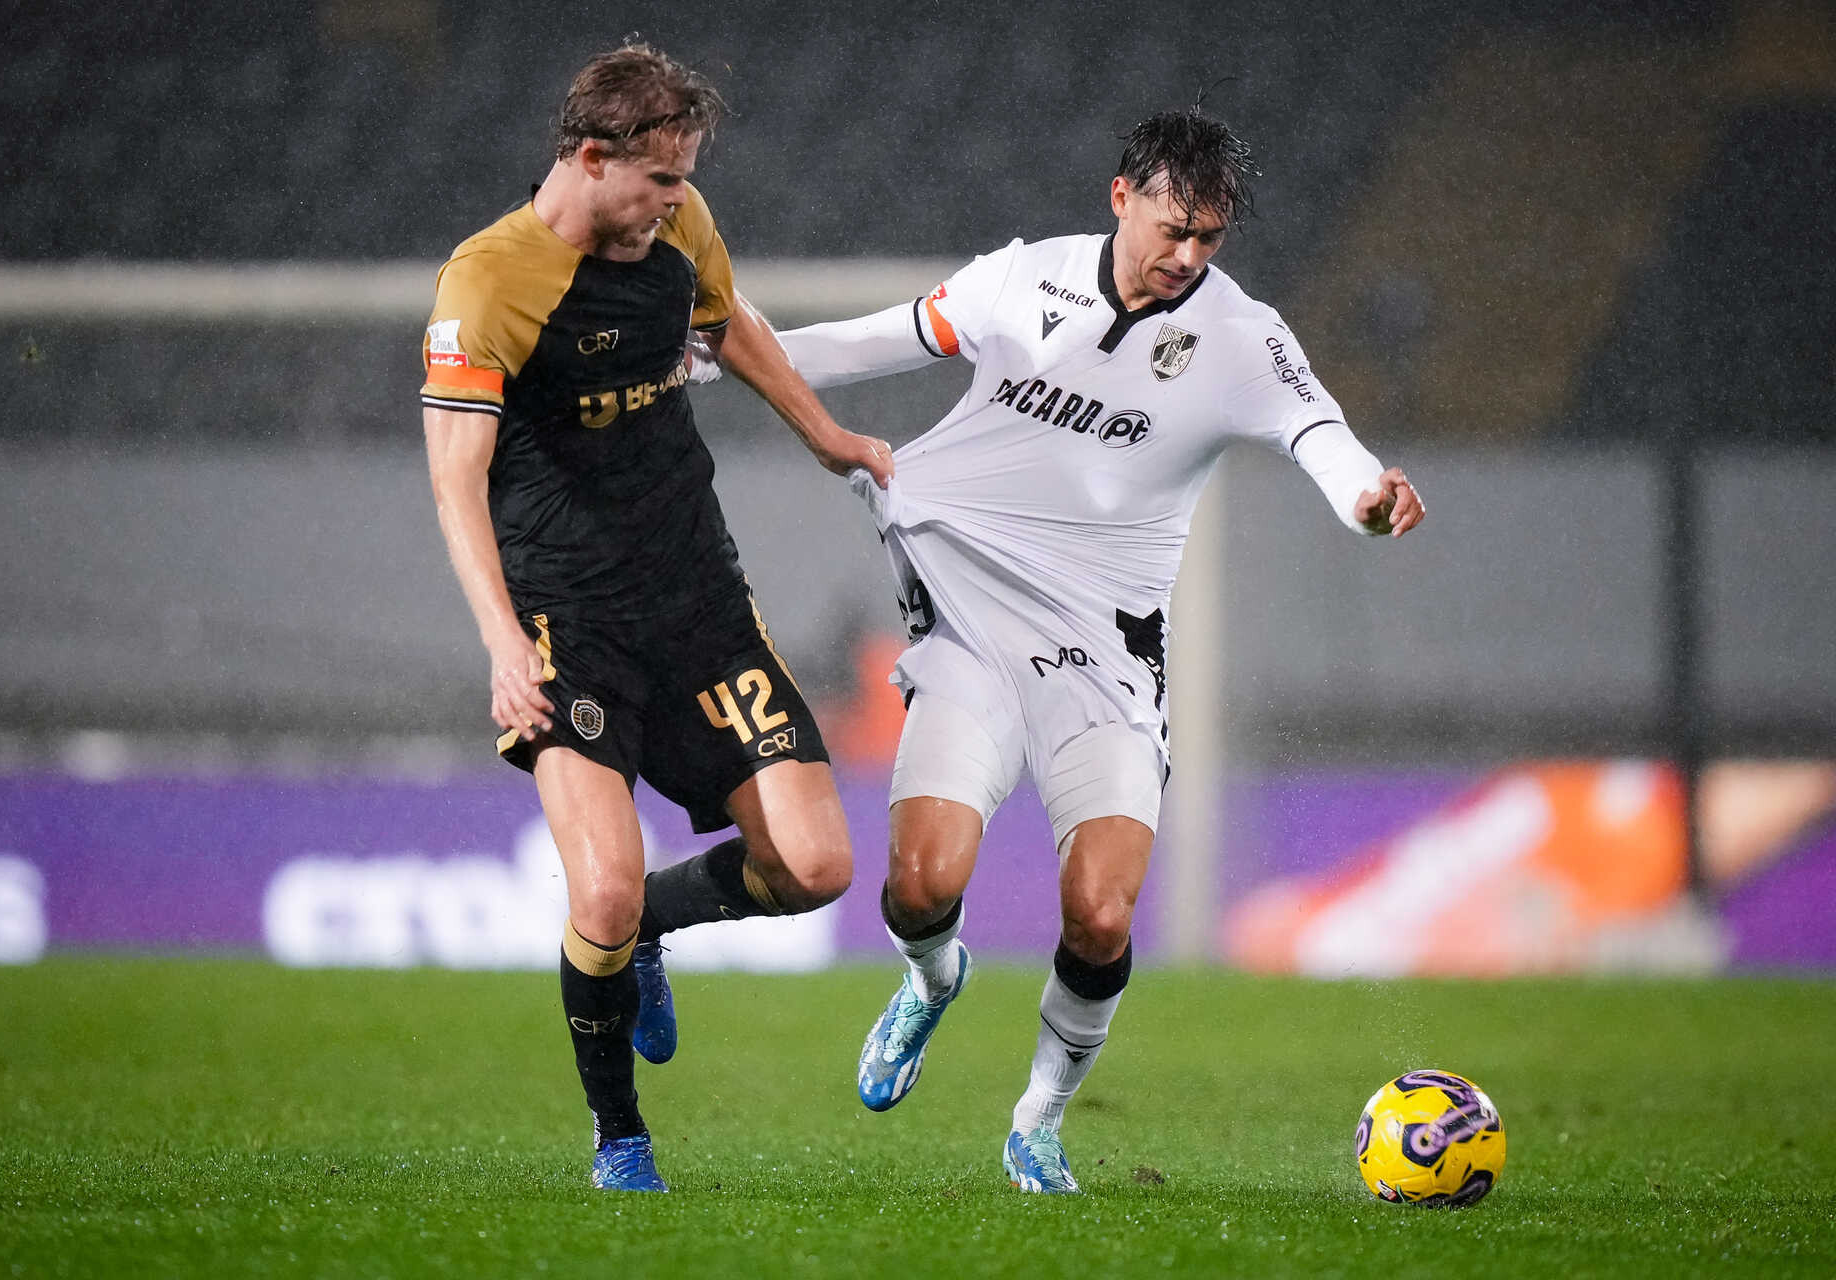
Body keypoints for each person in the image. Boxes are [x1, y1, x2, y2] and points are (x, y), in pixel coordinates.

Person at [774, 106, 1426, 1192]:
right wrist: (722, 359)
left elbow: (1321, 432)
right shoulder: (1021, 283)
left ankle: (1038, 1118)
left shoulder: (1242, 337)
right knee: (920, 882)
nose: (1187, 257)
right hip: (974, 624)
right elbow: (868, 339)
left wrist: (1366, 494)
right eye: (1173, 228)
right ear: (1121, 197)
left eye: (1209, 239)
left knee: (1102, 907)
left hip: (1107, 652)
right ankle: (932, 980)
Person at [418, 42, 892, 1193]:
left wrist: (824, 434)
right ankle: (620, 1134)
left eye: (684, 179)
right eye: (659, 181)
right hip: (567, 619)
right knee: (603, 889)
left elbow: (732, 325)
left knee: (818, 864)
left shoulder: (677, 230)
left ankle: (653, 939)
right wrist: (499, 646)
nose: (675, 202)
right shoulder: (488, 281)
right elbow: (454, 479)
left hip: (697, 598)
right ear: (589, 157)